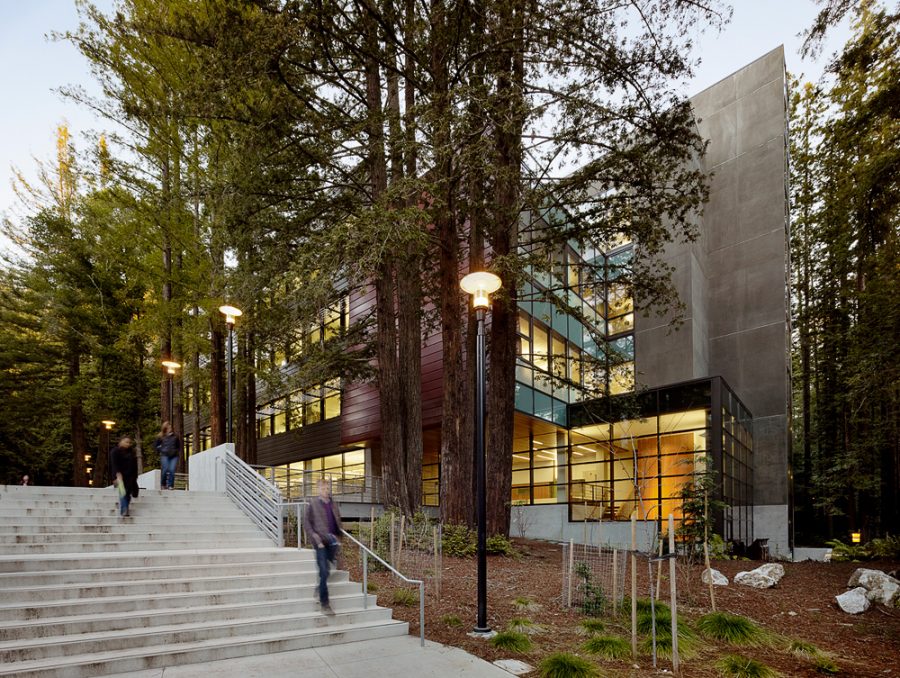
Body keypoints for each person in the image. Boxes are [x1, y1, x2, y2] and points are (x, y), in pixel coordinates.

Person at [303, 478, 342, 615]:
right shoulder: (313, 504)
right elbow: (306, 523)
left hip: (332, 542)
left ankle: (320, 587)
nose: (326, 491)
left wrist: (338, 535)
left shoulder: (333, 503)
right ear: (318, 489)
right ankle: (325, 604)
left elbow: (337, 519)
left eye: (327, 488)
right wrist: (315, 537)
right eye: (323, 488)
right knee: (324, 571)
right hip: (320, 543)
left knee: (327, 570)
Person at [110, 437, 139, 517]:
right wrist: (117, 474)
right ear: (121, 441)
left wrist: (135, 476)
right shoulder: (115, 451)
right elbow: (114, 464)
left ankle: (126, 507)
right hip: (120, 475)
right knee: (122, 492)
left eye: (129, 442)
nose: (128, 444)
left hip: (130, 476)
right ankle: (124, 509)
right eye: (126, 442)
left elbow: (134, 465)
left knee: (128, 494)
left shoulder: (132, 452)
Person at [153, 422, 181, 490]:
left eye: (170, 427)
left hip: (174, 456)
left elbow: (178, 446)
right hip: (164, 455)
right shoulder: (161, 436)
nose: (170, 428)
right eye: (168, 427)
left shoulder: (175, 436)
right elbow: (155, 446)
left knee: (172, 470)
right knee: (165, 469)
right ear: (165, 428)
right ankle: (163, 484)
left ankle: (170, 485)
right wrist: (161, 449)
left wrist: (176, 452)